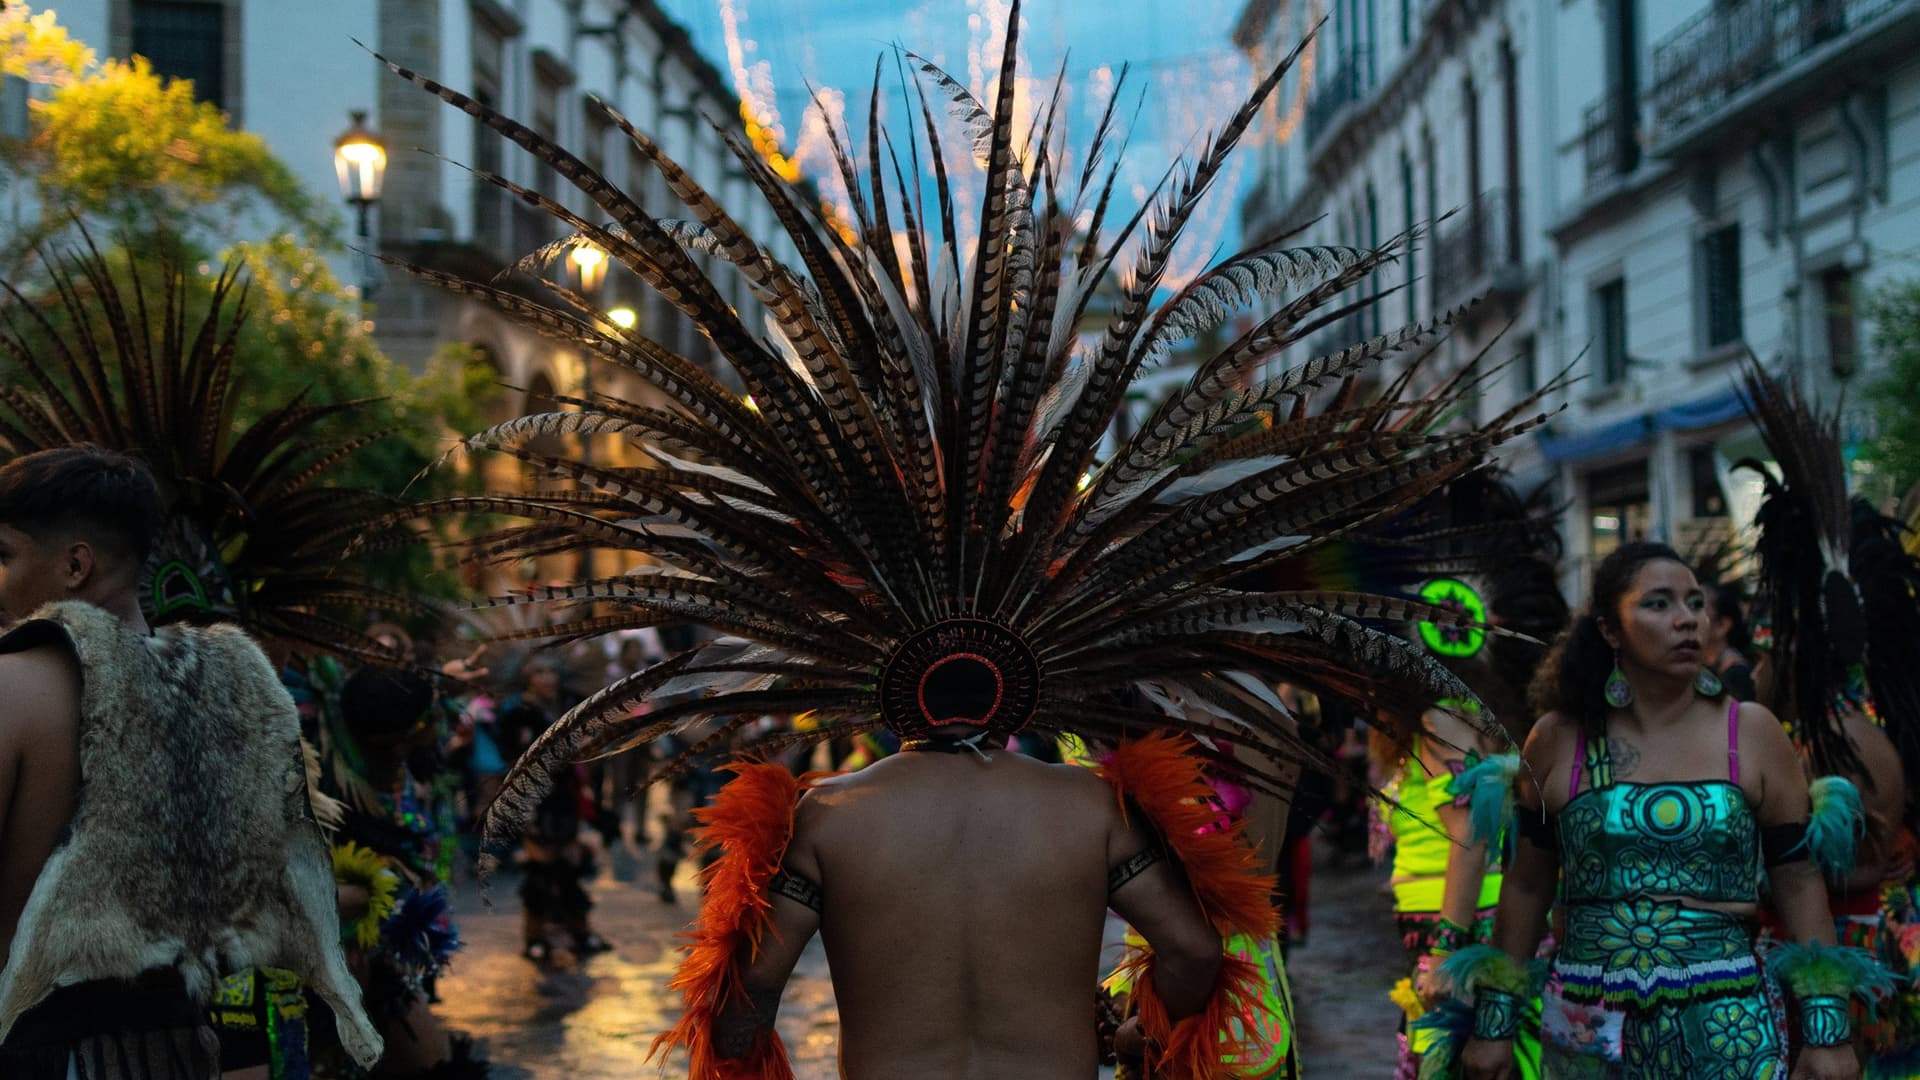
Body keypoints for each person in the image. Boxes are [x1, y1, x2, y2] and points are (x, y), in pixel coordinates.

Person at [372, 0, 1555, 1073]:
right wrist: (1111, 1025)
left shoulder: (829, 820)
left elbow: (739, 1018)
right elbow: (1197, 963)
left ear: (876, 661)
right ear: (1026, 664)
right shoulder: (1089, 809)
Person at [0, 446, 381, 1079]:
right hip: (181, 1051)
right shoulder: (237, 694)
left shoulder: (14, 686)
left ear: (74, 565)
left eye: (3, 556)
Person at [1460, 542, 1876, 1080]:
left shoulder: (1749, 731)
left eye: (1696, 603)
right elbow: (1525, 886)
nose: (1687, 620)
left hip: (1729, 1027)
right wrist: (1493, 1026)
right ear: (1610, 630)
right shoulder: (1559, 739)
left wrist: (1826, 1035)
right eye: (1658, 604)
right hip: (1589, 1028)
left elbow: (1797, 878)